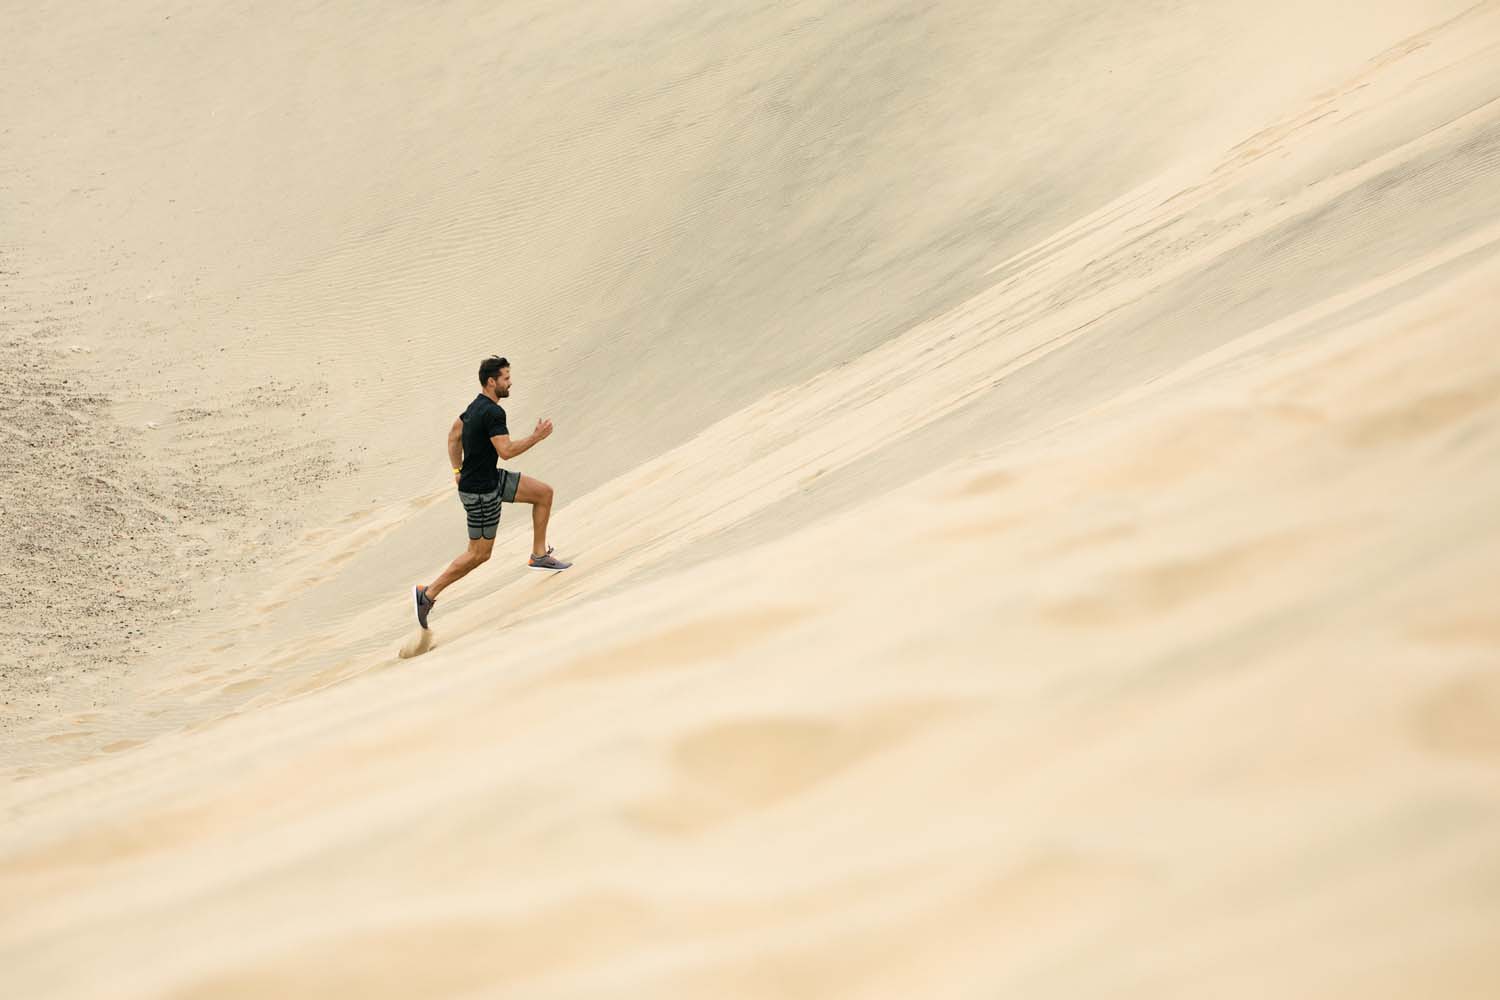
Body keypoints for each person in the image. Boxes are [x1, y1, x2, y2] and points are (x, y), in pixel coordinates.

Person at [414, 356, 570, 629]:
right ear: (491, 381)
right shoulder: (493, 412)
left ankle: (539, 555)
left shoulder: (475, 407)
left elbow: (453, 435)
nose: (510, 383)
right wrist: (537, 437)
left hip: (490, 480)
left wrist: (456, 470)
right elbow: (506, 451)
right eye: (506, 378)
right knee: (479, 554)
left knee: (543, 494)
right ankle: (428, 593)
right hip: (480, 494)